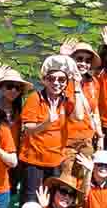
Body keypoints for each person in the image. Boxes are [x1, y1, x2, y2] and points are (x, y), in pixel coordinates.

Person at [15, 57, 73, 199]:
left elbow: (79, 115)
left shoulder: (66, 100)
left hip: (56, 159)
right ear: (44, 80)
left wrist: (77, 86)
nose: (56, 83)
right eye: (51, 79)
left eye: (61, 80)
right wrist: (45, 124)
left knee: (51, 198)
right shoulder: (35, 98)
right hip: (34, 160)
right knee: (31, 199)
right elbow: (28, 129)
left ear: (67, 83)